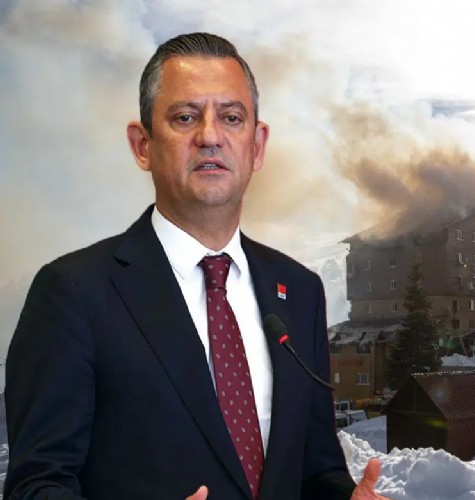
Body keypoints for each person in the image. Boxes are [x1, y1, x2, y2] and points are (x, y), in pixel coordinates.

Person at [4, 32, 386, 499]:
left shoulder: (299, 290)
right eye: (185, 117)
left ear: (257, 145)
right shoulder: (73, 294)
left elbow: (315, 471)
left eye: (231, 117)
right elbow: (36, 485)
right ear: (142, 145)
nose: (209, 136)